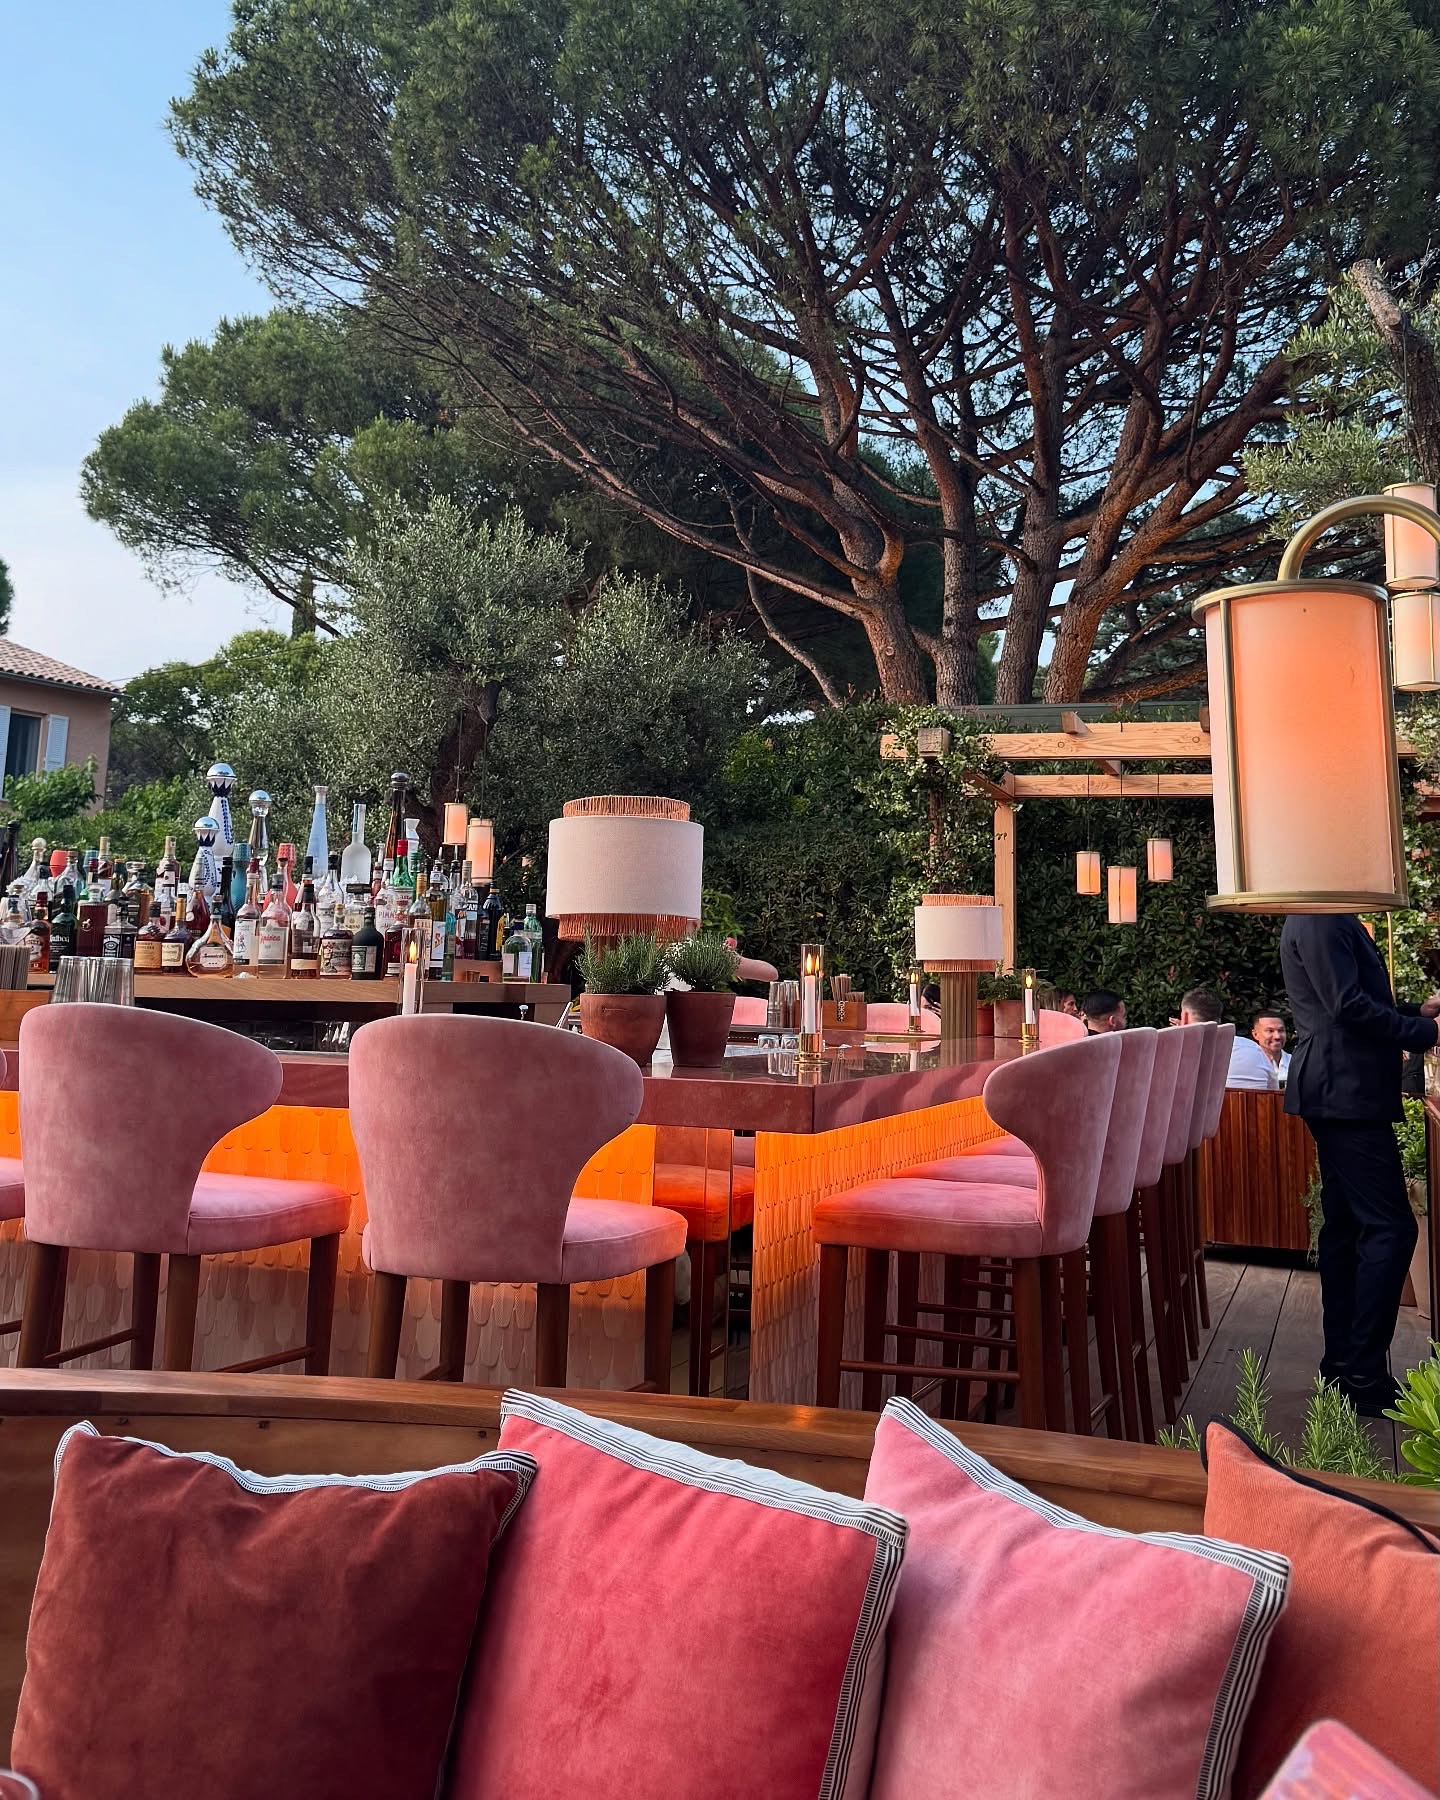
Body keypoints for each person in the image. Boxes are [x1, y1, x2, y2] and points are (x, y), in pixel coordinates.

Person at [1280, 913, 1440, 1414]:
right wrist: (1425, 1031)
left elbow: (1349, 1000)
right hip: (1343, 1091)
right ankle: (1362, 1375)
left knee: (1348, 1228)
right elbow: (1346, 1006)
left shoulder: (1325, 915)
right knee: (1391, 1228)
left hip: (1342, 1089)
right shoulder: (1320, 917)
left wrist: (1418, 1011)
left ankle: (1345, 1367)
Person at [1177, 988, 1276, 1090]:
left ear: (1185, 1017)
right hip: (1252, 1100)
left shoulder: (1178, 1053)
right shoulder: (1254, 1049)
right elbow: (1274, 1091)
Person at [1252, 1012, 1291, 1083]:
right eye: (1270, 1031)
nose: (1277, 1036)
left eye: (1281, 1030)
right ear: (1255, 1034)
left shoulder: (1296, 1063)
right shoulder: (1249, 1064)